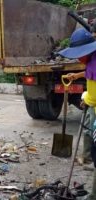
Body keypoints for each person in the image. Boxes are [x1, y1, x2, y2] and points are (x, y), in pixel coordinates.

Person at [58, 27, 96, 200]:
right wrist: (76, 74)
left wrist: (84, 97)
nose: (78, 58)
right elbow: (90, 73)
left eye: (79, 54)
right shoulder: (92, 60)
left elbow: (93, 98)